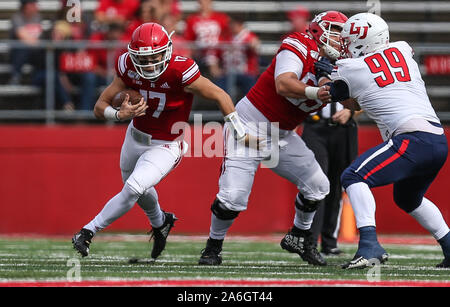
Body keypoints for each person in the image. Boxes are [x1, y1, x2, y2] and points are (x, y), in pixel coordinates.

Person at [72, 23, 254, 260]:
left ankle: (87, 231)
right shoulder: (127, 65)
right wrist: (119, 115)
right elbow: (99, 107)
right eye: (142, 59)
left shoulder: (180, 70)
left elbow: (220, 94)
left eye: (154, 57)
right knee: (138, 189)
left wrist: (239, 131)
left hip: (165, 144)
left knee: (134, 188)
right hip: (134, 136)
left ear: (167, 50)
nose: (148, 64)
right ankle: (161, 222)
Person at [197, 11, 339, 267]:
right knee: (233, 198)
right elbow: (283, 84)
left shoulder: (341, 65)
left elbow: (354, 102)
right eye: (336, 31)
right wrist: (318, 90)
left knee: (318, 186)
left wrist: (341, 86)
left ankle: (299, 236)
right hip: (250, 126)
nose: (341, 39)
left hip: (282, 134)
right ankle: (212, 247)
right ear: (319, 31)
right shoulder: (298, 44)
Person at [315, 13, 450, 268]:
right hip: (437, 139)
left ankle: (369, 245)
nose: (344, 45)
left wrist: (325, 75)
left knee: (353, 177)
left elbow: (336, 95)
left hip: (412, 139)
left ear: (362, 41)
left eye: (349, 40)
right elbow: (361, 94)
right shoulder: (402, 50)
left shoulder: (350, 69)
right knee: (408, 199)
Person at [301, 11, 359, 256]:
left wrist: (351, 113)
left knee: (337, 184)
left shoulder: (356, 57)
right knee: (318, 182)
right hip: (315, 126)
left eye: (339, 30)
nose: (336, 36)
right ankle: (309, 240)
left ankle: (330, 240)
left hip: (342, 129)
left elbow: (368, 95)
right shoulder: (311, 53)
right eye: (332, 30)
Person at [184, 0, 231, 83]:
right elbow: (189, 40)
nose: (203, 4)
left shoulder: (221, 18)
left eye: (205, 2)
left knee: (213, 57)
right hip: (200, 54)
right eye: (200, 2)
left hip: (218, 53)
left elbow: (228, 36)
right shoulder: (192, 19)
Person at [219, 14, 260, 99]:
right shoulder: (228, 37)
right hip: (228, 72)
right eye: (231, 24)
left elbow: (255, 44)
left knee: (250, 93)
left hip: (246, 73)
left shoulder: (247, 36)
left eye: (235, 24)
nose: (232, 26)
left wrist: (252, 45)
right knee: (220, 89)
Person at [9, 0, 43, 85]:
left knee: (43, 52)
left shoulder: (37, 17)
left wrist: (33, 41)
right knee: (22, 48)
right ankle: (15, 77)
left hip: (34, 51)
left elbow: (38, 36)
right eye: (34, 4)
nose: (36, 6)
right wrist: (33, 41)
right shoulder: (16, 17)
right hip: (18, 53)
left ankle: (38, 78)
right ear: (27, 6)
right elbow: (23, 37)